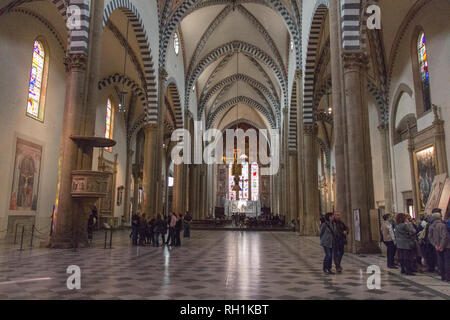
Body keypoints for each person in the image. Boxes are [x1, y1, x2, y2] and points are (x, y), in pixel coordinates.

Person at [428, 210, 450, 282]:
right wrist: (441, 246)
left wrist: (435, 245)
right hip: (446, 246)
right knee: (447, 261)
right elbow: (445, 237)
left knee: (440, 261)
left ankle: (442, 276)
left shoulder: (431, 226)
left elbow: (430, 237)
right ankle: (448, 277)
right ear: (439, 217)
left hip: (437, 246)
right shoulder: (442, 225)